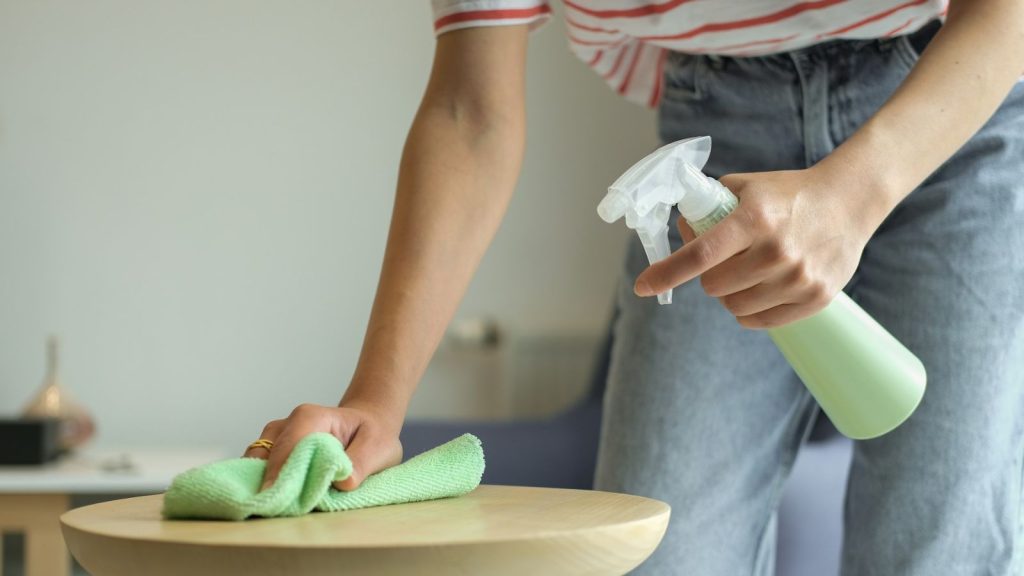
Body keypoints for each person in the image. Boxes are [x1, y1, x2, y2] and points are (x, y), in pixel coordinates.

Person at [245, 1, 1024, 573]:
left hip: (950, 104)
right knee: (663, 553)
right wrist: (377, 400)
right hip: (710, 141)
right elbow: (469, 110)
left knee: (940, 548)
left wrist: (851, 196)